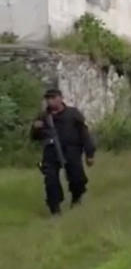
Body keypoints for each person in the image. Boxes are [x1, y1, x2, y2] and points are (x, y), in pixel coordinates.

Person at [29, 88, 96, 216]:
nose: (50, 101)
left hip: (72, 150)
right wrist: (35, 128)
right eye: (48, 98)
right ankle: (55, 208)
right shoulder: (43, 116)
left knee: (77, 179)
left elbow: (84, 134)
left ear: (60, 98)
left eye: (53, 98)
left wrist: (90, 153)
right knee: (51, 180)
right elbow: (34, 137)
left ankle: (77, 198)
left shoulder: (73, 113)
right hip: (51, 152)